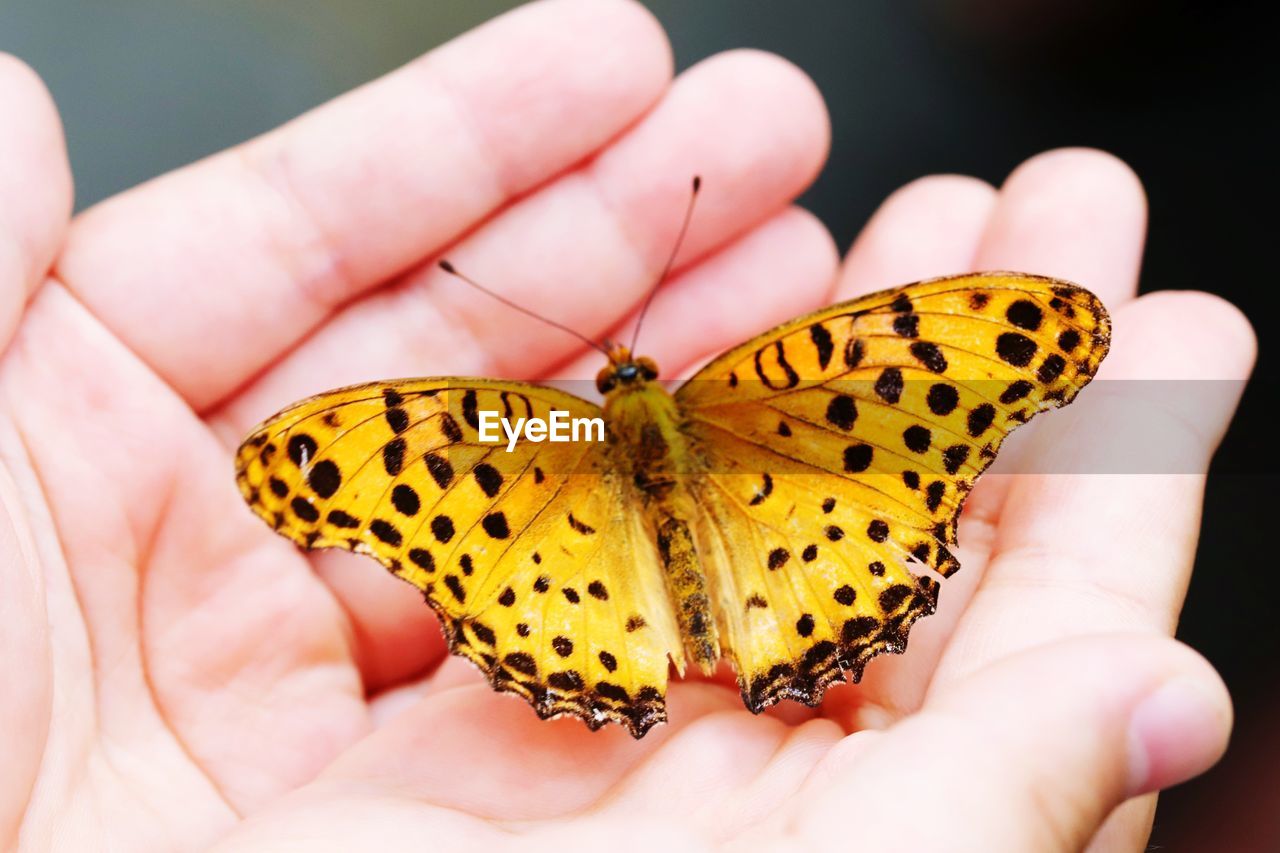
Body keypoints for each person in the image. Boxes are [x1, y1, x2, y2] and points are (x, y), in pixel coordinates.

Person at [0, 0, 1254, 849]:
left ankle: (631, 657)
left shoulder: (532, 437)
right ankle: (765, 635)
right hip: (794, 528)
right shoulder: (697, 403)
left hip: (579, 544)